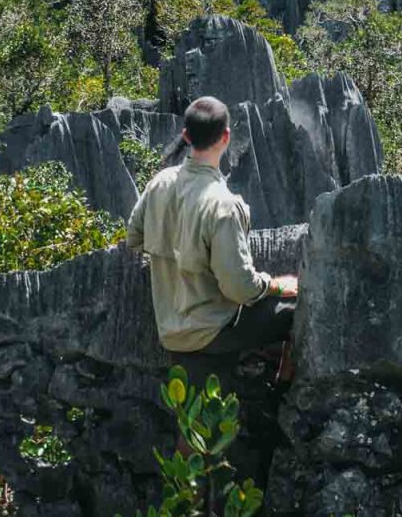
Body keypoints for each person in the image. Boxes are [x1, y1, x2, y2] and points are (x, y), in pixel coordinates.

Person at [125, 96, 299, 364]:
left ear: (186, 135)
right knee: (299, 308)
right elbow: (240, 289)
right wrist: (277, 285)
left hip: (170, 330)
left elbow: (134, 238)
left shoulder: (159, 182)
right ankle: (287, 389)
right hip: (211, 333)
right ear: (226, 137)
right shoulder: (223, 205)